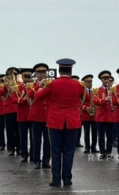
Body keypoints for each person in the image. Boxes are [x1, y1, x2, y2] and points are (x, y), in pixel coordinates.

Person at [34, 58, 85, 186]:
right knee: (69, 151)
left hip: (55, 121)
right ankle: (67, 179)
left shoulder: (52, 84)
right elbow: (87, 98)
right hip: (72, 121)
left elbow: (37, 97)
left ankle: (56, 180)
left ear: (59, 69)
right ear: (71, 69)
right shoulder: (78, 85)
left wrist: (40, 87)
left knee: (55, 151)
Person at [27, 64, 51, 169]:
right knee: (36, 140)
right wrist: (39, 85)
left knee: (48, 140)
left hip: (48, 116)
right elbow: (30, 95)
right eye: (40, 73)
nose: (42, 75)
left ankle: (46, 161)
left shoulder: (50, 84)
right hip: (36, 116)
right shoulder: (32, 85)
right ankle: (36, 160)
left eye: (44, 73)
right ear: (36, 74)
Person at [93, 70, 115, 160]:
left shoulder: (113, 90)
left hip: (111, 116)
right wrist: (104, 99)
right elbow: (95, 101)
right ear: (101, 80)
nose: (107, 80)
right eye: (105, 79)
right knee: (101, 136)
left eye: (108, 79)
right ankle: (102, 152)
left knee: (110, 136)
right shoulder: (97, 90)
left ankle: (109, 152)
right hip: (101, 116)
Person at [15, 68, 34, 162]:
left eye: (29, 77)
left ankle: (33, 154)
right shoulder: (18, 87)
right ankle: (24, 154)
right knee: (23, 137)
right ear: (22, 77)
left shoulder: (34, 86)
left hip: (33, 115)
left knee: (33, 137)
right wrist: (22, 99)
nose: (27, 79)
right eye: (25, 77)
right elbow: (13, 100)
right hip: (22, 115)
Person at [80, 74, 98, 154]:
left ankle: (93, 147)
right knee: (86, 132)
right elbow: (79, 102)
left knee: (94, 132)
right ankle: (87, 147)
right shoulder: (82, 91)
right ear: (84, 83)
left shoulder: (94, 91)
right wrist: (85, 108)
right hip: (85, 114)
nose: (90, 84)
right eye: (88, 82)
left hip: (94, 114)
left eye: (91, 82)